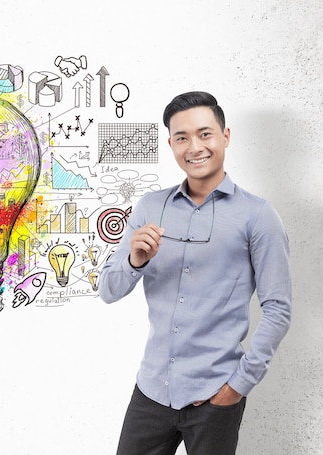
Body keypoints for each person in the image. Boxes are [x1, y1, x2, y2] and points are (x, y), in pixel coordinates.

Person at [99, 91, 292, 455]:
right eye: (182, 137)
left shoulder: (258, 215)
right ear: (171, 144)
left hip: (215, 396)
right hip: (151, 392)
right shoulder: (150, 207)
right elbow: (108, 290)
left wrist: (237, 386)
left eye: (205, 134)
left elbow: (278, 308)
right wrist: (134, 260)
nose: (195, 147)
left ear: (225, 136)